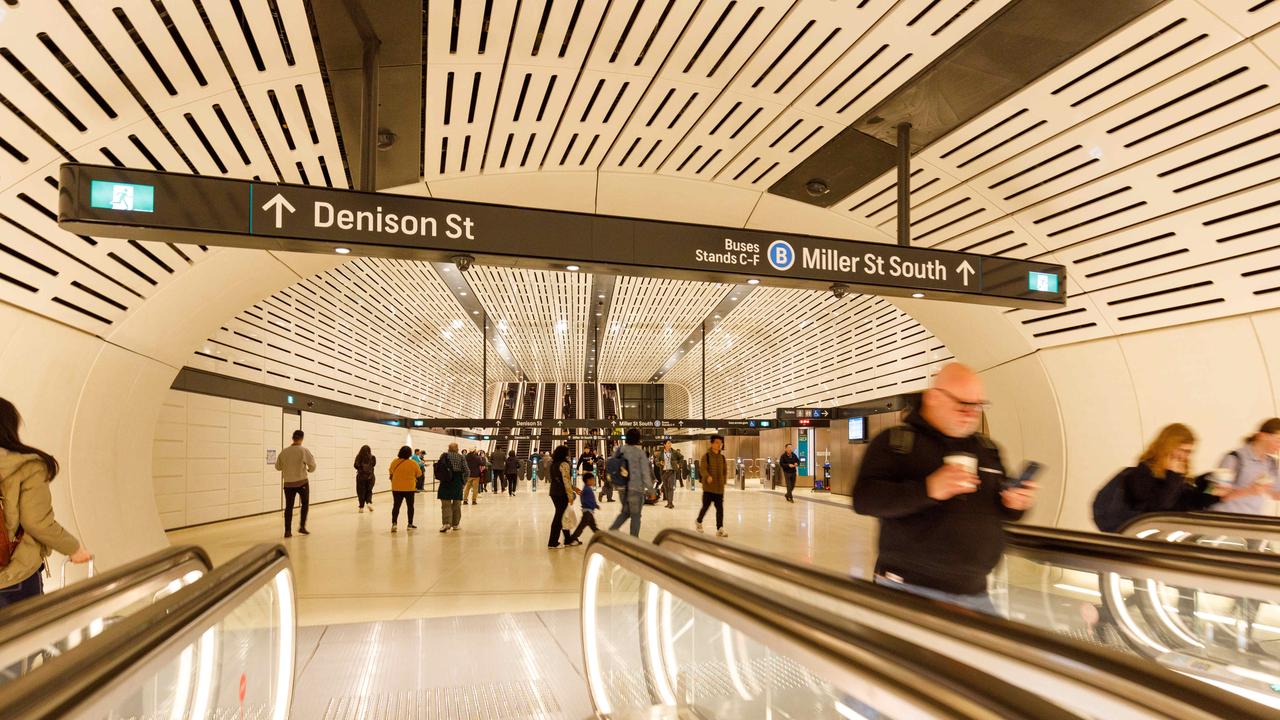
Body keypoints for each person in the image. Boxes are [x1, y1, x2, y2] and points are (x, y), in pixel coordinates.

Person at [853, 363, 1036, 615]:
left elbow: (998, 509)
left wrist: (1014, 505)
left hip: (976, 592)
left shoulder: (987, 450)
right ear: (934, 398)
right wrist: (928, 489)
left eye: (978, 406)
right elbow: (865, 500)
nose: (971, 413)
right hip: (910, 591)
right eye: (963, 404)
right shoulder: (896, 443)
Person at [0, 398, 92, 608]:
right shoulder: (27, 466)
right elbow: (36, 521)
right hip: (13, 576)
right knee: (26, 637)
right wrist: (74, 549)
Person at [1209, 418, 1280, 515]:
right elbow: (1216, 494)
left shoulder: (1271, 463)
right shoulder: (1234, 458)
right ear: (1262, 436)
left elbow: (1276, 494)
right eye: (1278, 440)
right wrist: (1249, 490)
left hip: (1251, 522)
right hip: (1225, 520)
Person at [608, 429, 656, 537]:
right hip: (635, 489)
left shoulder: (620, 450)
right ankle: (633, 539)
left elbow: (614, 466)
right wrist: (651, 491)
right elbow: (645, 474)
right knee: (635, 515)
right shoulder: (640, 453)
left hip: (621, 488)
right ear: (638, 439)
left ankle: (611, 531)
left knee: (626, 512)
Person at [275, 429, 316, 538]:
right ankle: (302, 527)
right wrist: (309, 470)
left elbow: (277, 467)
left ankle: (287, 531)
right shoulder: (304, 450)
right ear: (302, 439)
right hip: (302, 483)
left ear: (293, 438)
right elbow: (312, 465)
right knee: (305, 504)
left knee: (289, 507)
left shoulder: (284, 452)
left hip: (288, 484)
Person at [696, 435, 729, 537]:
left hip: (719, 488)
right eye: (717, 443)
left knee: (720, 508)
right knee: (706, 506)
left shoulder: (722, 458)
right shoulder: (706, 456)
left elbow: (725, 471)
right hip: (708, 488)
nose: (719, 445)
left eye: (720, 443)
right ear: (712, 444)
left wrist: (724, 482)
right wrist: (707, 476)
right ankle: (699, 521)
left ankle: (720, 528)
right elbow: (703, 469)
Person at [547, 445, 576, 549]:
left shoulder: (553, 464)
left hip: (554, 492)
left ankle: (568, 540)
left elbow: (558, 479)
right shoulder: (564, 464)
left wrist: (574, 488)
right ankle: (552, 542)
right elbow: (566, 480)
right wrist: (570, 495)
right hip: (561, 493)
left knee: (563, 515)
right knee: (559, 517)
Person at [388, 446, 420, 532]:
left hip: (396, 487)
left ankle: (394, 524)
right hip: (409, 488)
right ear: (409, 453)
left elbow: (391, 471)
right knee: (410, 506)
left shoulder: (394, 462)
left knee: (396, 506)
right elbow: (419, 474)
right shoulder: (413, 463)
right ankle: (410, 524)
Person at [438, 443, 466, 532]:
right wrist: (463, 481)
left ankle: (446, 523)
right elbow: (467, 470)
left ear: (448, 448)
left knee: (445, 503)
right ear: (457, 449)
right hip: (457, 481)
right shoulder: (461, 457)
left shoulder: (444, 456)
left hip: (445, 481)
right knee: (457, 504)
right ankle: (455, 524)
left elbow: (439, 468)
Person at [567, 472, 600, 544]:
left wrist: (595, 505)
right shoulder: (587, 489)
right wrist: (594, 505)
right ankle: (572, 538)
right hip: (587, 512)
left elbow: (589, 499)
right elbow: (586, 500)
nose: (594, 481)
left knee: (592, 526)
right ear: (588, 480)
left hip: (589, 511)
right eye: (593, 480)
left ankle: (600, 537)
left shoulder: (587, 488)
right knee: (582, 526)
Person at [658, 440, 681, 509]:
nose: (670, 444)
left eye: (670, 443)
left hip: (671, 471)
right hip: (664, 472)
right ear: (664, 445)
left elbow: (681, 457)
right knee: (666, 488)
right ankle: (668, 502)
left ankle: (670, 503)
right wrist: (660, 463)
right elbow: (656, 460)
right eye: (668, 443)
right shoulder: (661, 453)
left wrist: (679, 464)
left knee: (671, 487)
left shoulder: (674, 452)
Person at [353, 445, 376, 512]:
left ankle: (361, 507)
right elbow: (374, 465)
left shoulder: (358, 457)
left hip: (361, 477)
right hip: (370, 477)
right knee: (369, 490)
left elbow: (355, 465)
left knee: (361, 492)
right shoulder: (373, 457)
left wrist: (361, 468)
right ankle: (369, 502)